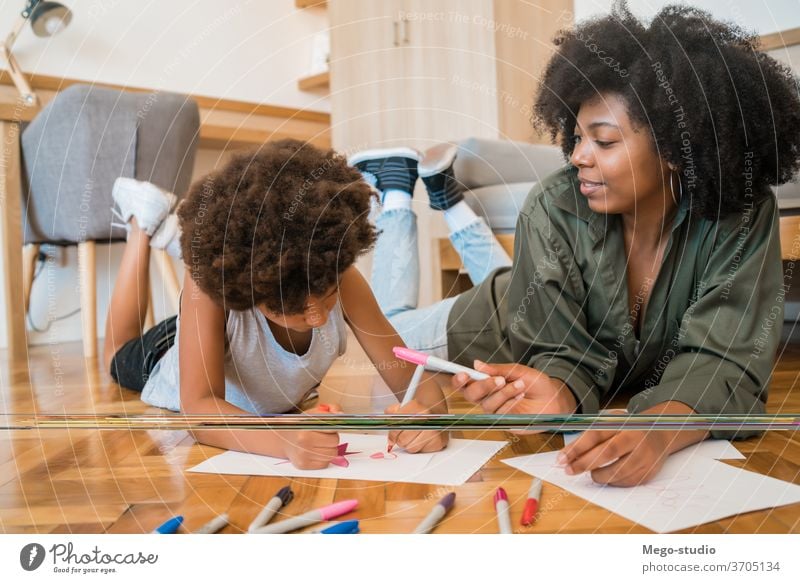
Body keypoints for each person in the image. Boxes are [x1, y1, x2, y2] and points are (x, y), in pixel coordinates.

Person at [354, 2, 800, 486]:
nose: (579, 156)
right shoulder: (554, 203)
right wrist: (559, 391)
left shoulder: (742, 214)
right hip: (501, 324)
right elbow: (560, 351)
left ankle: (451, 205)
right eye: (578, 136)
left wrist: (656, 429)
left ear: (676, 147)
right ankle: (397, 196)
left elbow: (727, 358)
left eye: (604, 142)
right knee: (383, 332)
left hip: (540, 284)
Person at [103, 139, 448, 470]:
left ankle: (173, 238)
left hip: (224, 331)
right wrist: (283, 440)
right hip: (164, 358)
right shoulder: (209, 293)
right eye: (293, 309)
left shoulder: (342, 277)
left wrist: (429, 418)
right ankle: (140, 227)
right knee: (115, 355)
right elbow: (200, 412)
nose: (316, 319)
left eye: (326, 297)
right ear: (248, 290)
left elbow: (414, 379)